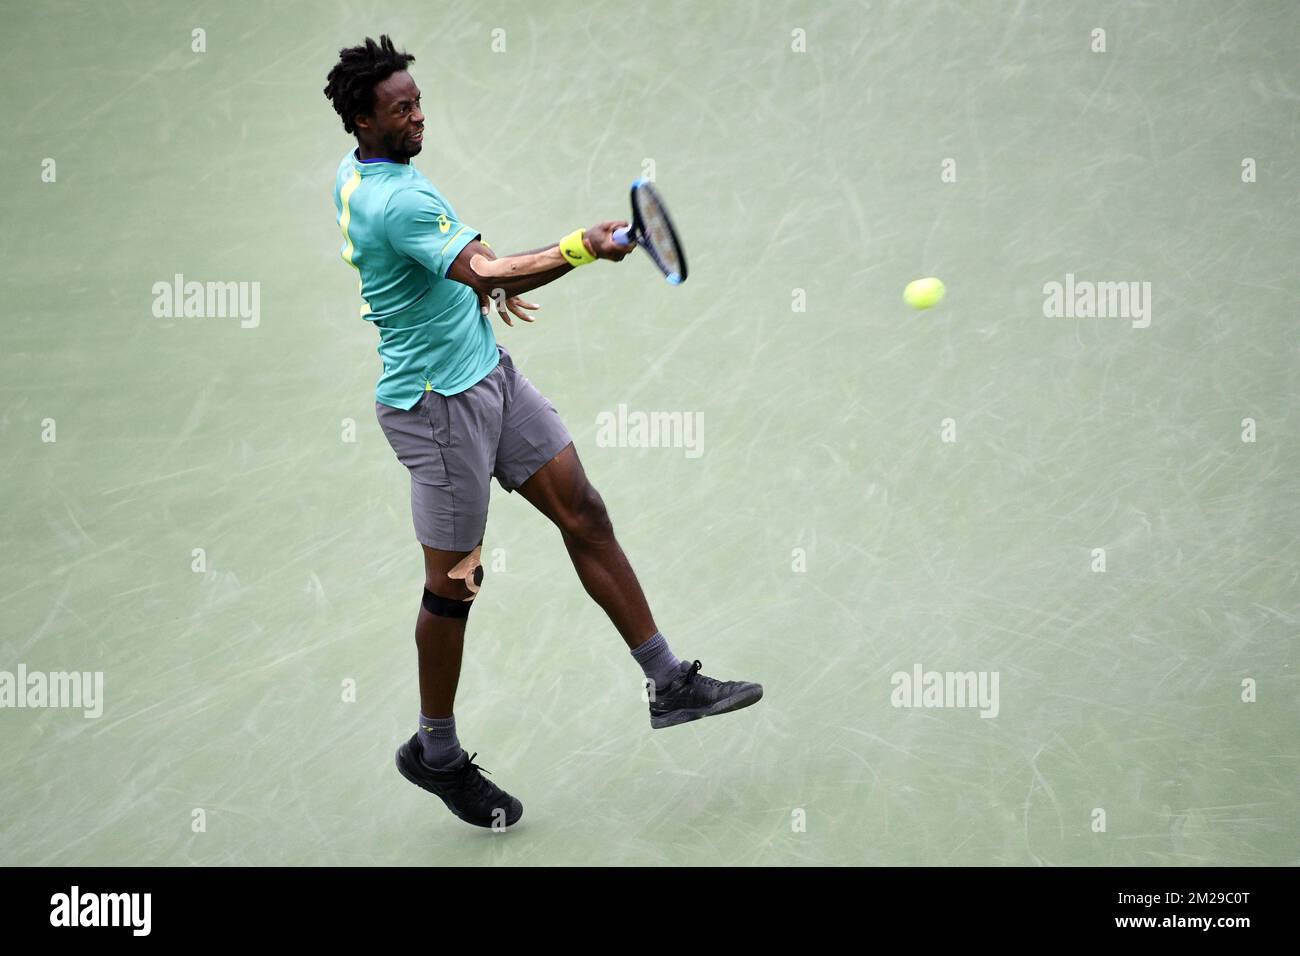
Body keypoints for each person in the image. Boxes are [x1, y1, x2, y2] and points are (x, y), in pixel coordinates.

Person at [323, 35, 762, 830]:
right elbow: (485, 268)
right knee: (455, 587)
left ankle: (668, 682)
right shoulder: (396, 199)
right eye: (400, 109)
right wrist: (579, 249)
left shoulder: (363, 175)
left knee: (584, 511)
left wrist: (471, 292)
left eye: (418, 101)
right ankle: (437, 752)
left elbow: (463, 269)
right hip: (437, 409)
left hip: (489, 375)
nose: (418, 115)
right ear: (362, 119)